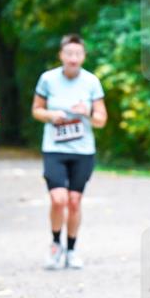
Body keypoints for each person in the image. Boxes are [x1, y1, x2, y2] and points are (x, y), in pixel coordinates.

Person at [31, 34, 107, 270]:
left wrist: (87, 112)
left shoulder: (91, 82)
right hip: (54, 148)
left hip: (83, 151)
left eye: (78, 54)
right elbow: (36, 110)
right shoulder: (48, 79)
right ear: (61, 55)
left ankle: (72, 249)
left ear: (83, 56)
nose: (73, 58)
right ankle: (56, 245)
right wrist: (51, 115)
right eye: (69, 54)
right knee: (58, 199)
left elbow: (101, 120)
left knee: (74, 201)